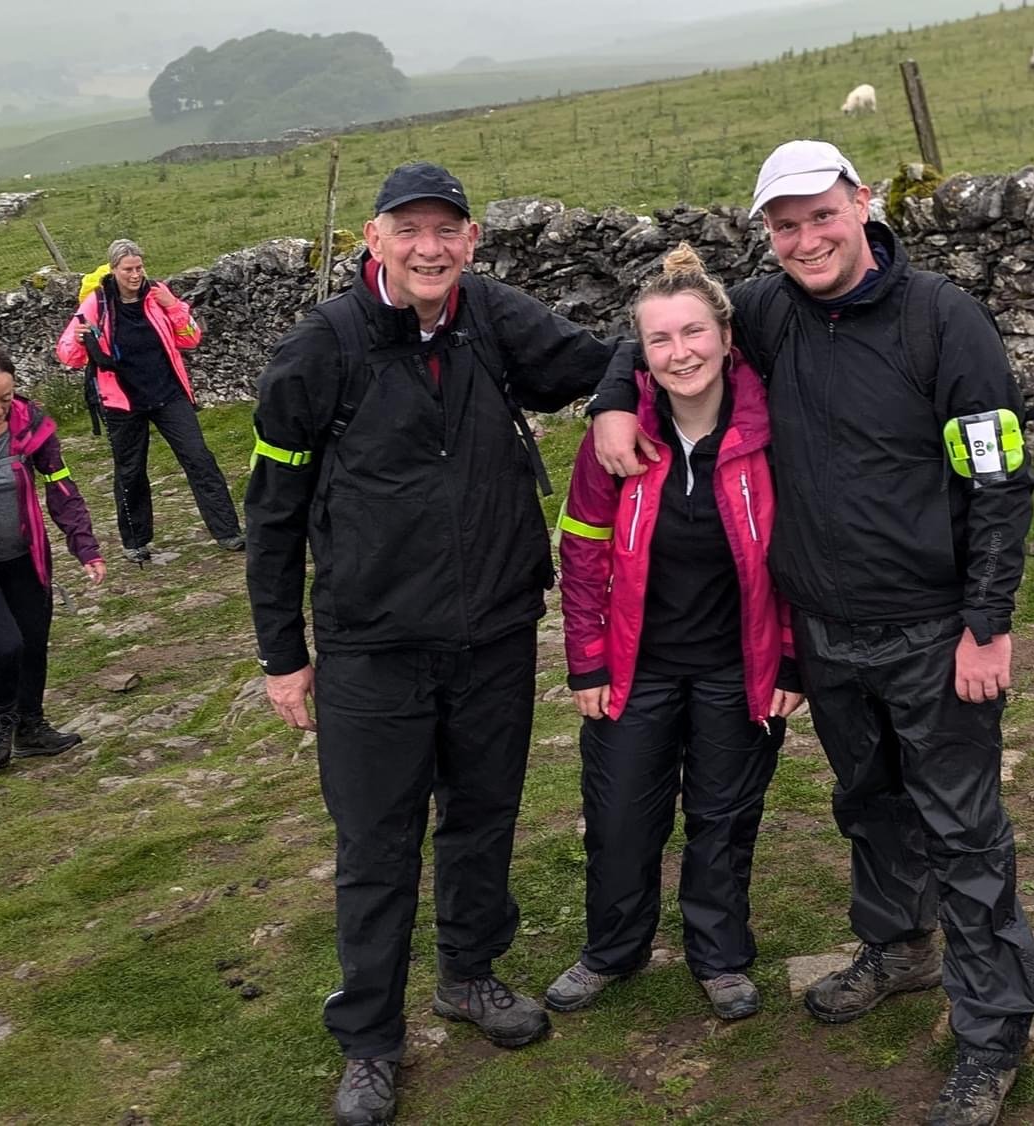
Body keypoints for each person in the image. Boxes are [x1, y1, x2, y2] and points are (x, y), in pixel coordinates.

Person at [590, 140, 1034, 1126]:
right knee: (871, 803)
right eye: (784, 225)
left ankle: (993, 1032)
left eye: (821, 215)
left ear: (863, 204)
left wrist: (987, 623)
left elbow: (1000, 476)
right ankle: (899, 948)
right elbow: (668, 332)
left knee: (962, 829)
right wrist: (608, 403)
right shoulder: (767, 312)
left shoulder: (944, 319)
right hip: (826, 632)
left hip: (931, 630)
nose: (805, 239)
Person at [244, 161, 627, 1126]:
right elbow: (273, 514)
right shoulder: (320, 350)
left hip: (495, 630)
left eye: (446, 229)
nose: (429, 248)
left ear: (472, 239)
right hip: (372, 647)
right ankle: (370, 1039)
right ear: (372, 239)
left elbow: (603, 361)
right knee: (376, 845)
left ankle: (468, 974)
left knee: (484, 815)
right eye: (408, 229)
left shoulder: (492, 317)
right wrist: (282, 654)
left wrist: (622, 398)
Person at [549, 243, 803, 1022]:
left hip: (739, 665)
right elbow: (582, 551)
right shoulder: (615, 439)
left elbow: (804, 554)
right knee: (621, 817)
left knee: (723, 820)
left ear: (726, 338)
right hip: (637, 667)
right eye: (659, 339)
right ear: (641, 353)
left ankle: (719, 956)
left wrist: (791, 660)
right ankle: (612, 951)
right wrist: (587, 661)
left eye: (694, 333)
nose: (680, 352)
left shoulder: (774, 429)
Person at [56, 238, 244, 563]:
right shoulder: (96, 304)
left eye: (139, 267)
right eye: (128, 269)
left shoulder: (158, 294)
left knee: (199, 459)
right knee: (130, 471)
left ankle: (229, 533)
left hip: (168, 394)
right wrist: (80, 339)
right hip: (121, 402)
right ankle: (135, 542)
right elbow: (67, 355)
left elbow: (191, 338)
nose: (135, 275)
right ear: (113, 270)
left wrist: (174, 306)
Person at [0, 345, 105, 769]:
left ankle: (30, 728)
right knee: (5, 646)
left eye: (5, 399)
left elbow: (61, 485)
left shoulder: (31, 424)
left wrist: (85, 546)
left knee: (33, 644)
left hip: (26, 557)